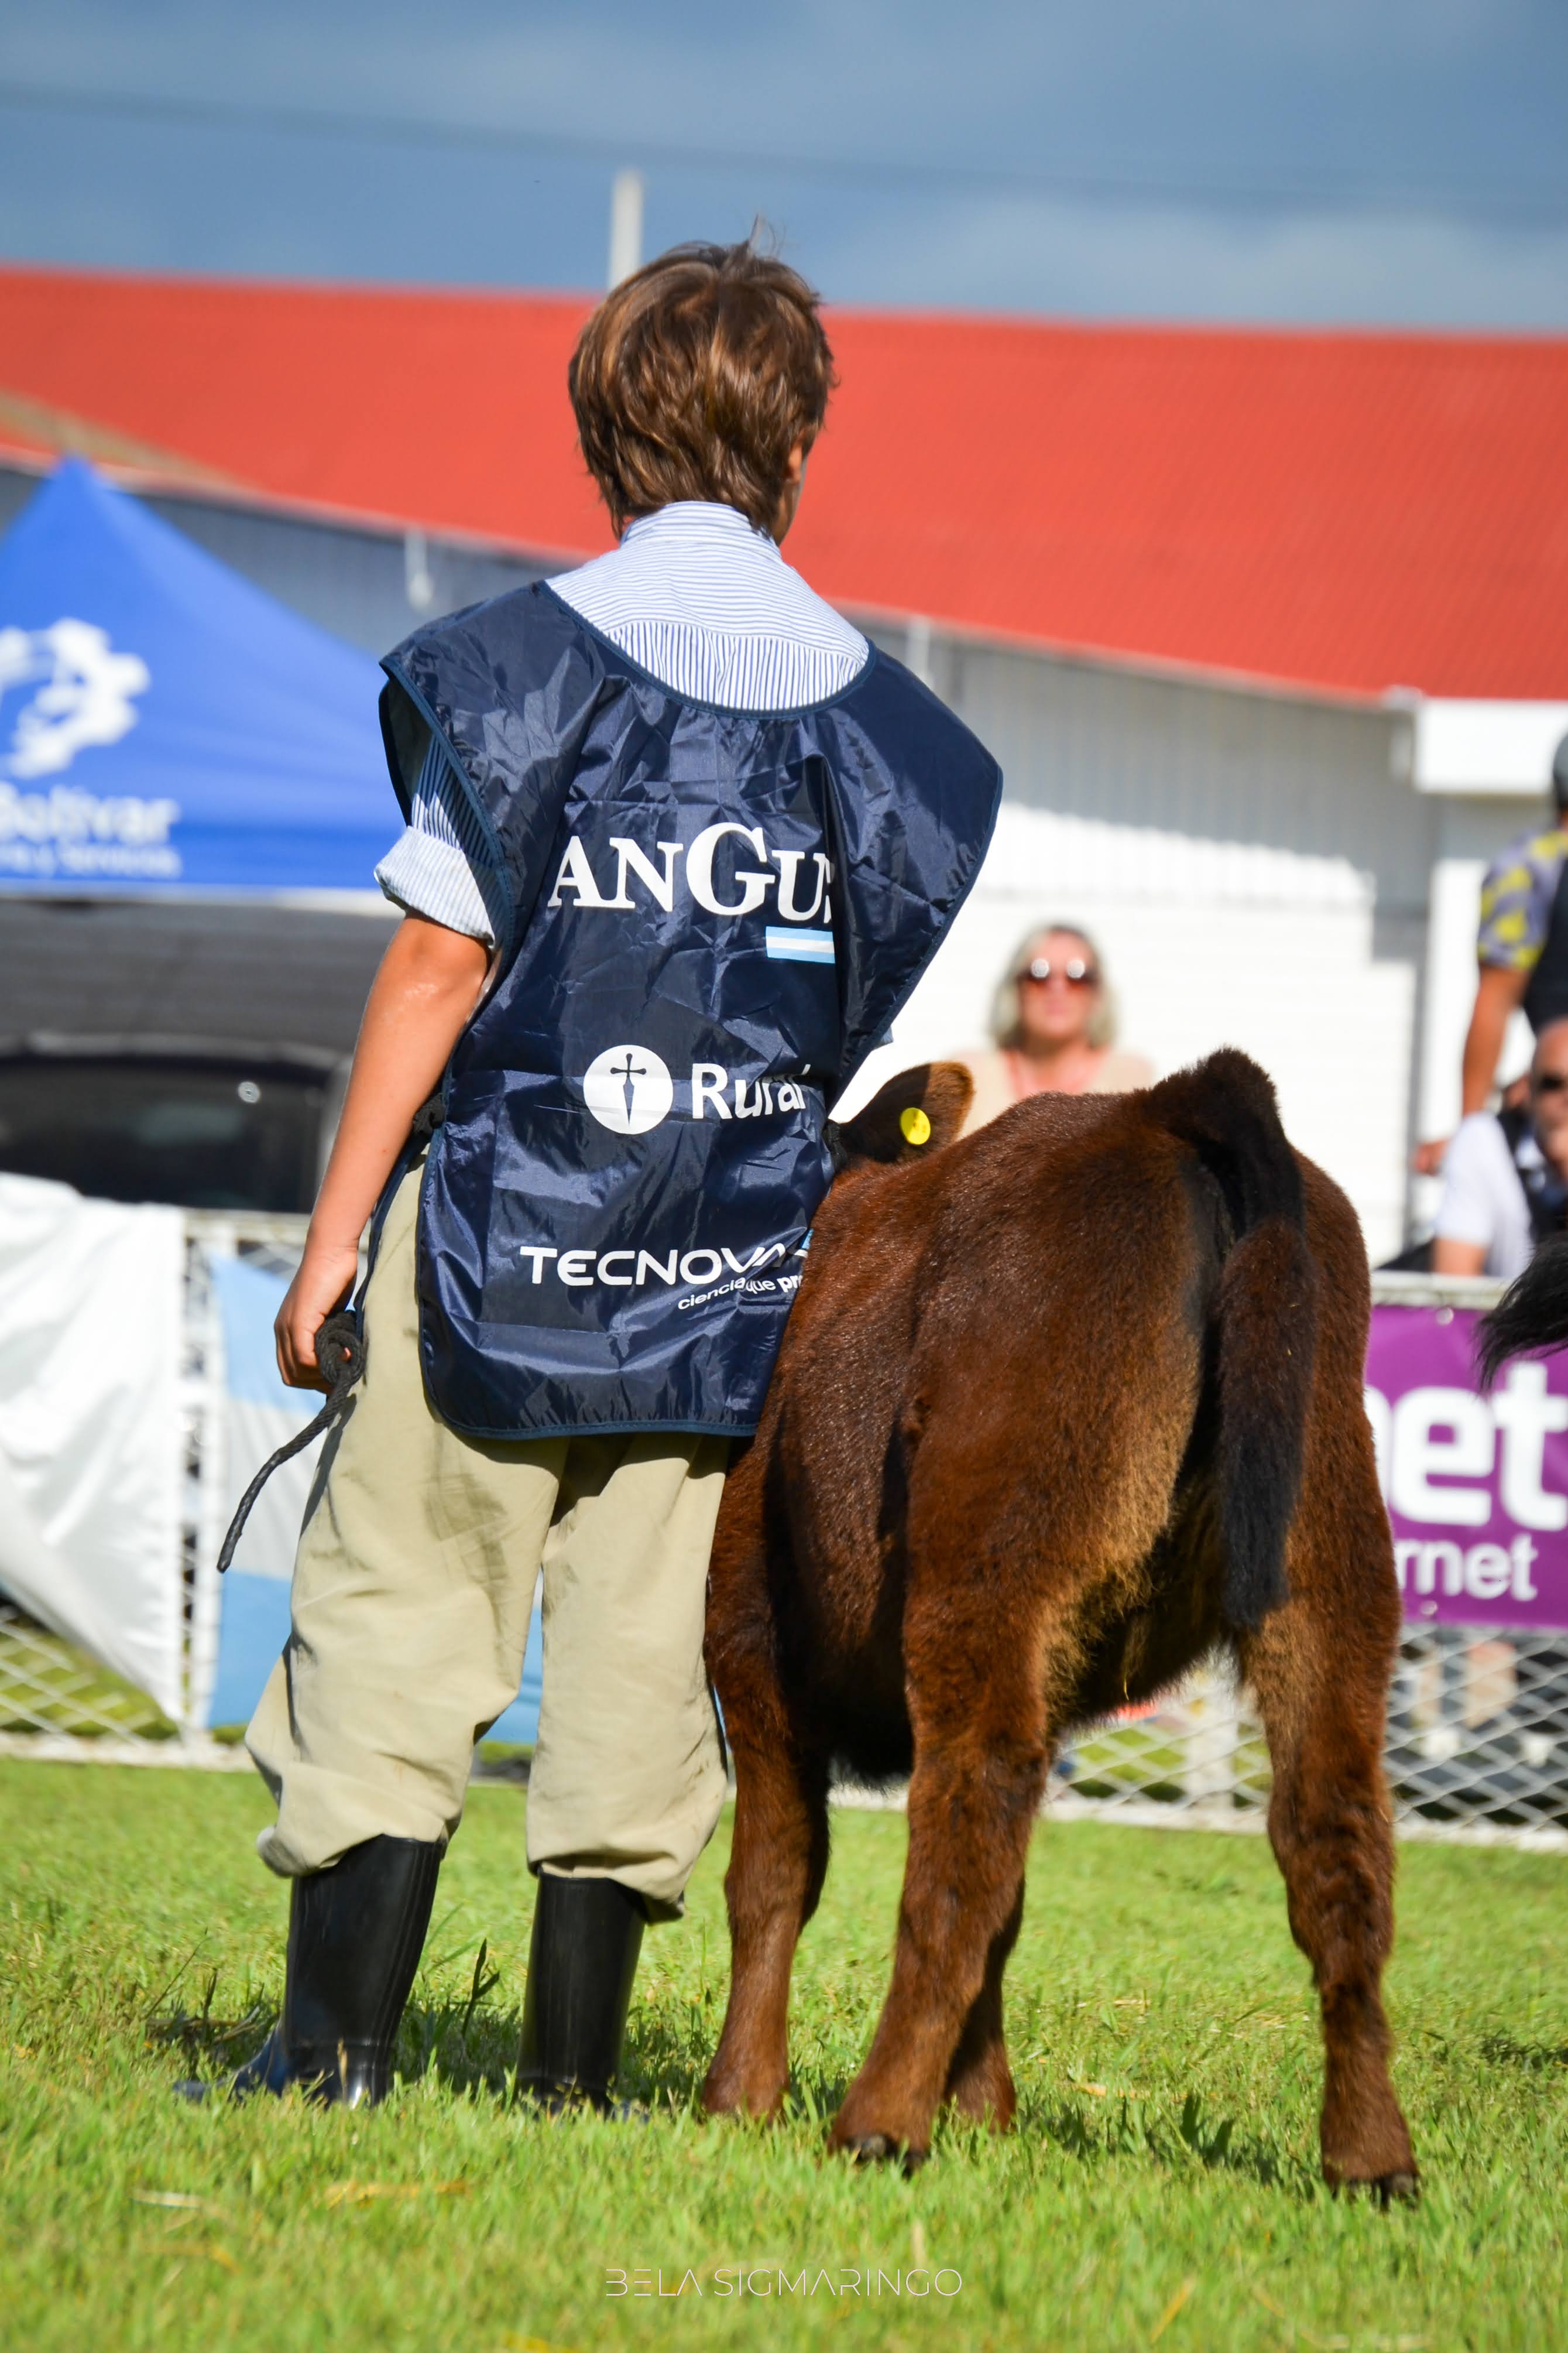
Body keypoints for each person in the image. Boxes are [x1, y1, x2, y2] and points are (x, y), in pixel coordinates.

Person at [199, 239, 1002, 2114]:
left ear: (598, 434)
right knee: (643, 1667)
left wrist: (331, 1241)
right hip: (724, 1271)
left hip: (490, 1237)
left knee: (399, 1616)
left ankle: (333, 2056)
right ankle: (573, 2082)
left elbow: (437, 961)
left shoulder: (519, 670)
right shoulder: (899, 743)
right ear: (796, 442)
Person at [1415, 732, 1568, 1176]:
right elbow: (1495, 1002)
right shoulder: (1535, 868)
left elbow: (1494, 1000)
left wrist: (1470, 1133)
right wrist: (1474, 1137)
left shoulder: (1526, 865)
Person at [958, 923, 1152, 1133]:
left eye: (1077, 976)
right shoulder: (971, 1078)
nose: (1057, 988)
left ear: (1097, 993)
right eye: (1039, 974)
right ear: (1016, 989)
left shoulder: (1132, 1081)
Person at [1432, 1016, 1568, 1279]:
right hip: (1504, 1305)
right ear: (1528, 1090)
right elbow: (1453, 1279)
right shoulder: (1483, 1140)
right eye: (1552, 1083)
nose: (1566, 1098)